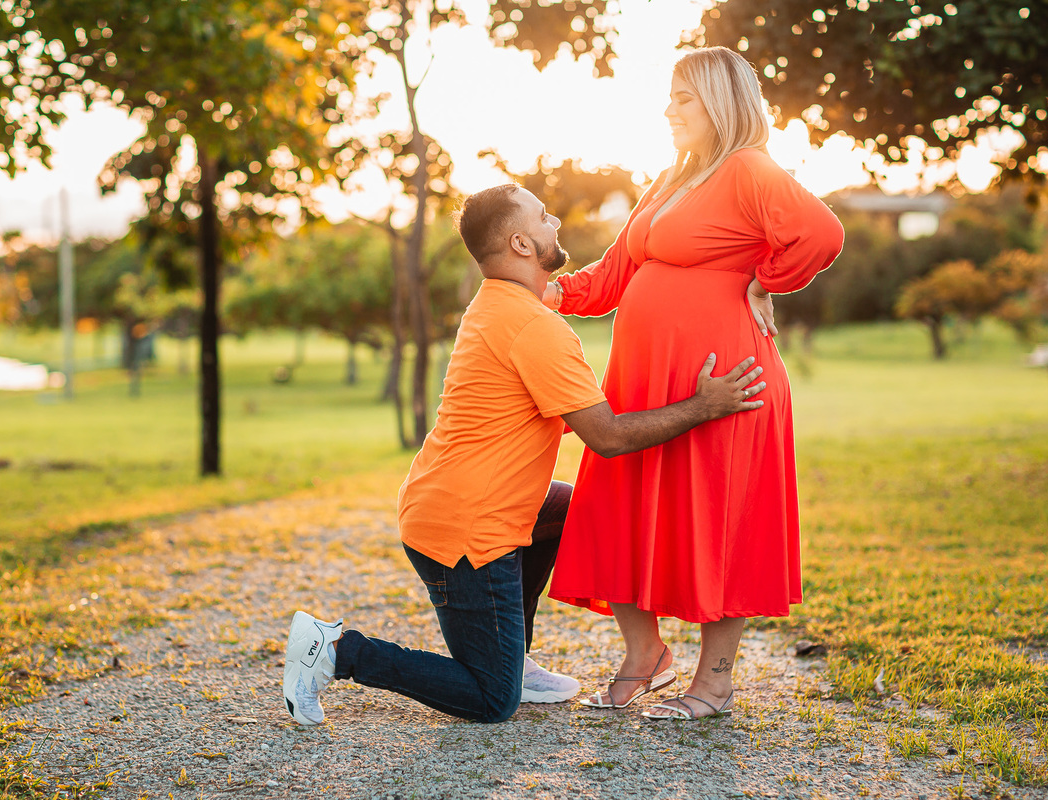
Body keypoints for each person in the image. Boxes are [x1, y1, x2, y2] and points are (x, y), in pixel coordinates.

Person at [282, 182, 769, 725]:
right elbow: (606, 437)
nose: (554, 223)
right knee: (492, 700)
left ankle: (513, 655)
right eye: (543, 217)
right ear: (519, 244)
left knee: (574, 506)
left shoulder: (496, 306)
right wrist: (704, 406)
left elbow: (547, 414)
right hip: (466, 532)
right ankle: (334, 651)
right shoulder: (534, 327)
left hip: (452, 505)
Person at [544, 46, 845, 721]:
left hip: (724, 383)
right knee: (616, 503)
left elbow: (821, 234)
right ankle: (644, 654)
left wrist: (763, 280)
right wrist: (542, 291)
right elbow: (613, 274)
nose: (669, 110)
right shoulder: (670, 178)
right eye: (670, 97)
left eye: (684, 98)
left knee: (722, 519)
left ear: (720, 101)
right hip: (647, 386)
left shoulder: (747, 169)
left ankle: (714, 685)